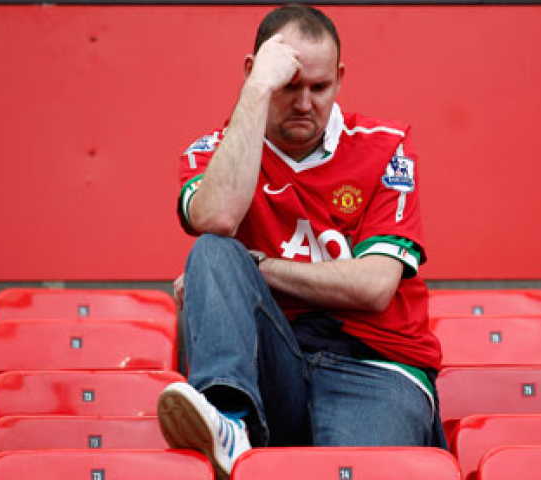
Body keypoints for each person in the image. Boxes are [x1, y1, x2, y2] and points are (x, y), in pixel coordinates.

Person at [157, 4, 445, 479]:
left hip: (375, 365)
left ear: (340, 79)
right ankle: (229, 418)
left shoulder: (385, 146)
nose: (305, 104)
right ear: (254, 73)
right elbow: (217, 217)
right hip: (275, 366)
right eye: (288, 87)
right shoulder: (213, 152)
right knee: (212, 251)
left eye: (319, 87)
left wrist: (257, 270)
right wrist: (256, 90)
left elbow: (374, 287)